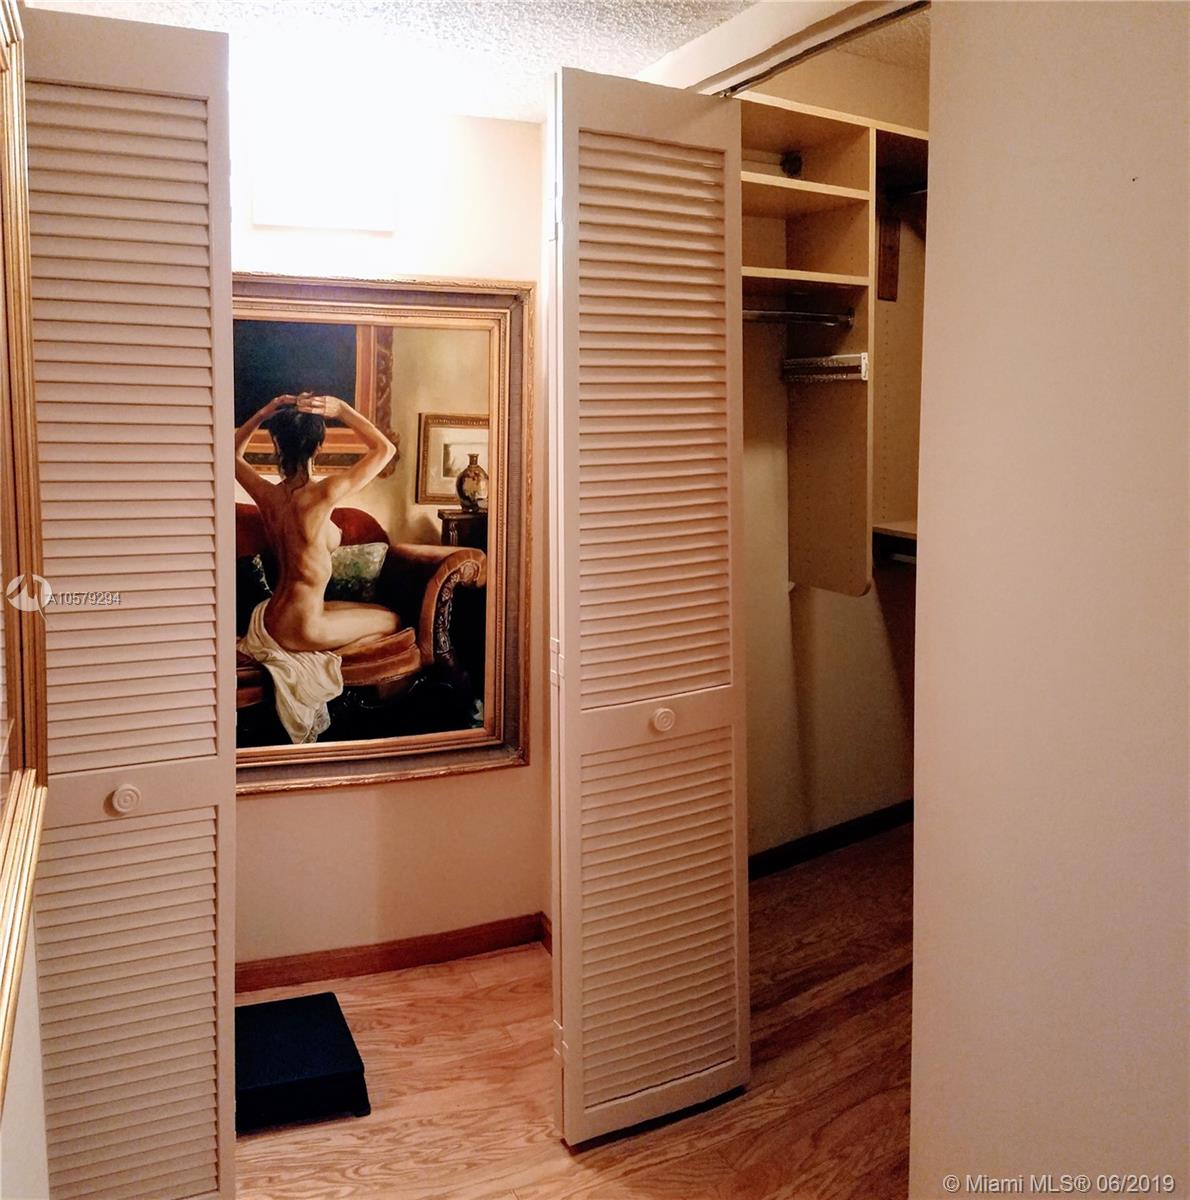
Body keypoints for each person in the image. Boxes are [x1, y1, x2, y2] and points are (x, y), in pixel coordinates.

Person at [234, 392, 398, 652]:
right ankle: (333, 657)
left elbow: (231, 454)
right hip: (303, 627)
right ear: (318, 447)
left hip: (271, 619)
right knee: (392, 620)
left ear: (278, 446)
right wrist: (342, 410)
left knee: (375, 610)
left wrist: (263, 414)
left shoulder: (267, 495)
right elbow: (385, 449)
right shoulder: (324, 493)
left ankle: (327, 651)